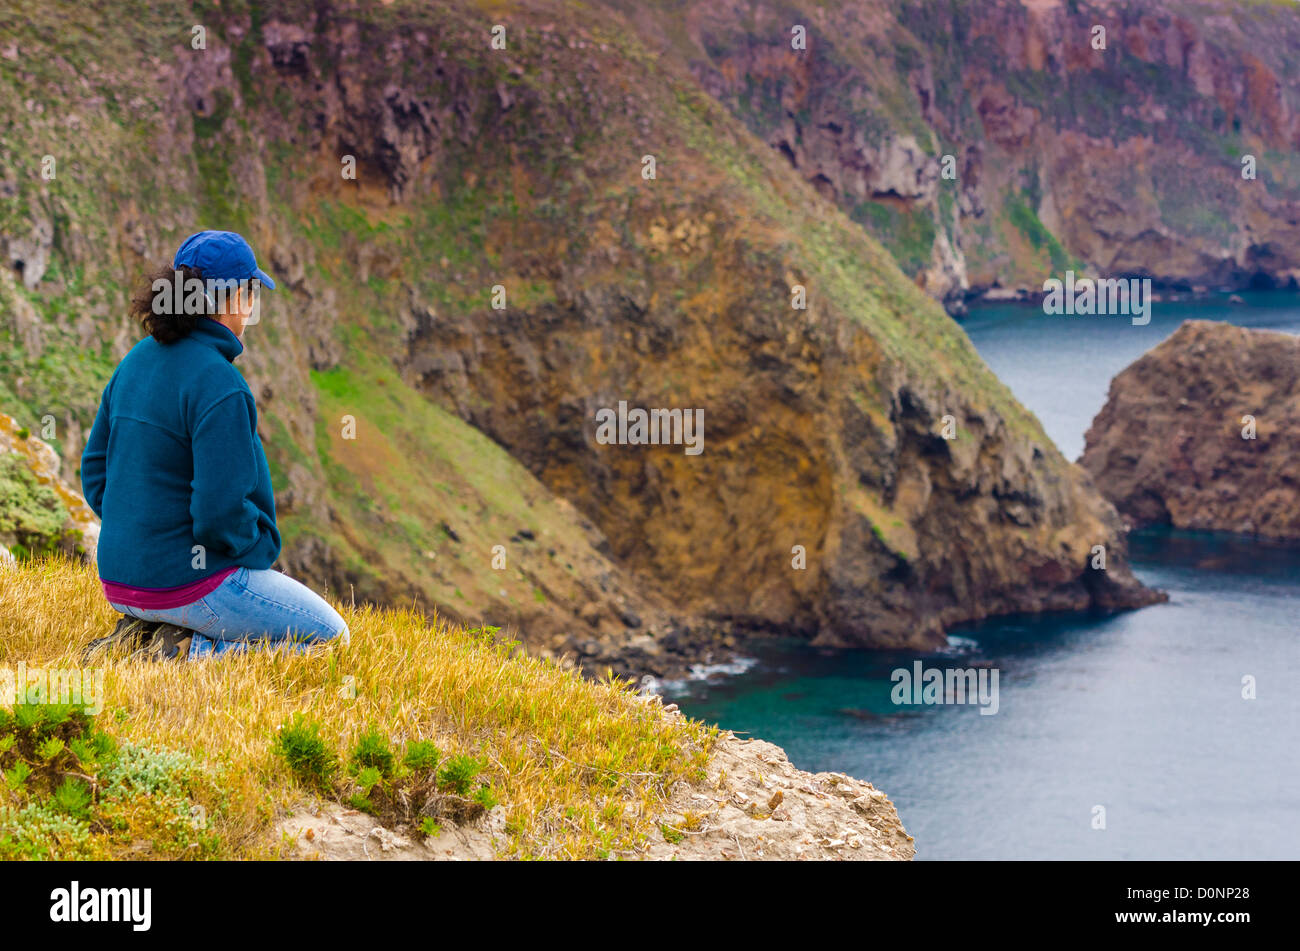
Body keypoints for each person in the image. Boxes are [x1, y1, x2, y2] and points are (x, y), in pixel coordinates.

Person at [80, 230, 348, 660]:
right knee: (331, 637)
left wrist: (137, 531)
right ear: (235, 298)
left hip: (118, 580)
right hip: (185, 584)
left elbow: (95, 474)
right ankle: (184, 653)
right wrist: (255, 550)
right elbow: (219, 515)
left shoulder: (134, 361)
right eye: (251, 291)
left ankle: (147, 634)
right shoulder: (220, 385)